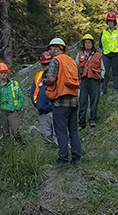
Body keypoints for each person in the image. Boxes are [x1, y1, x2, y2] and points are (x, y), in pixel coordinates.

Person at [44, 38, 82, 169]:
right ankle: (76, 158)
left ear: (58, 48)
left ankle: (63, 160)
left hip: (61, 102)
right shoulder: (72, 61)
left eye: (51, 48)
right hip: (74, 101)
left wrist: (45, 81)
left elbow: (51, 79)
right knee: (74, 130)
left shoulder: (56, 61)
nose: (49, 51)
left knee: (61, 132)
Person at [0, 62, 25, 143]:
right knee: (5, 133)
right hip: (1, 112)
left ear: (7, 73)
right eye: (1, 73)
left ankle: (22, 145)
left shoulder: (14, 84)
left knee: (16, 132)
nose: (3, 75)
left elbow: (21, 97)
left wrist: (17, 108)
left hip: (12, 111)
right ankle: (9, 150)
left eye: (5, 72)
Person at [30, 51, 57, 145]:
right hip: (42, 111)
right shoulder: (38, 76)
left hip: (55, 110)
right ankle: (50, 153)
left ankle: (62, 154)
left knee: (58, 134)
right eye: (44, 65)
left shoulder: (56, 75)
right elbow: (33, 92)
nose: (46, 67)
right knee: (45, 135)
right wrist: (37, 104)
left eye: (48, 64)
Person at [77, 34, 104, 129]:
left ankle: (92, 119)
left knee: (94, 100)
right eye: (86, 43)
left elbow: (102, 68)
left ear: (92, 44)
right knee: (82, 101)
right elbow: (76, 67)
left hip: (94, 80)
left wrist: (102, 77)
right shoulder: (79, 55)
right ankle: (81, 122)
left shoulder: (98, 55)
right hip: (83, 81)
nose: (87, 44)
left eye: (89, 42)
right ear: (83, 44)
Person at [99, 12, 118, 95]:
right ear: (107, 22)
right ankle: (103, 90)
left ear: (115, 22)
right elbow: (100, 43)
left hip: (116, 54)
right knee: (105, 72)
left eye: (112, 21)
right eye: (109, 21)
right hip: (106, 55)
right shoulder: (103, 32)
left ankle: (115, 89)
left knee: (115, 72)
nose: (110, 22)